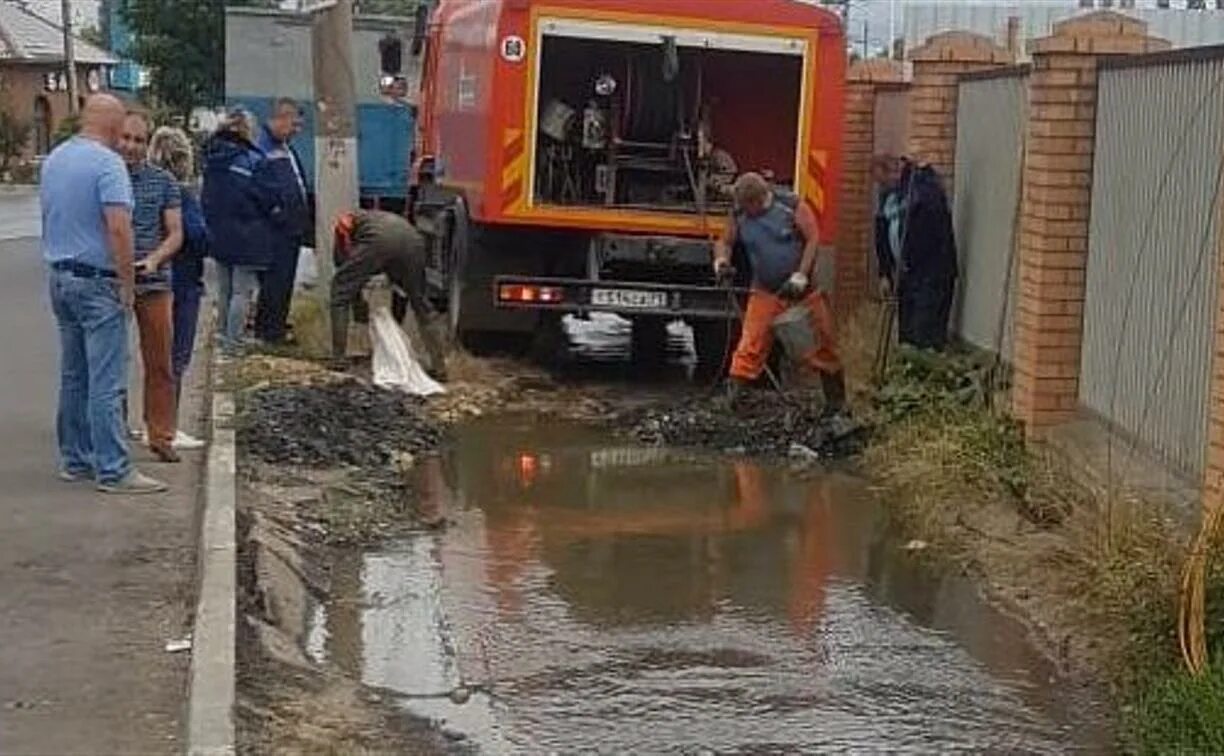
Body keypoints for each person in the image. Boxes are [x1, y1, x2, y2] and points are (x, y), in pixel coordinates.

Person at [40, 94, 167, 494]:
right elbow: (118, 228)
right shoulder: (108, 165)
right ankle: (114, 469)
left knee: (74, 374)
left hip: (61, 276)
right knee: (107, 379)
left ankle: (75, 459)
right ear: (114, 127)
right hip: (98, 281)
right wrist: (127, 283)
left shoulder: (56, 158)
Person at [712, 172, 844, 414]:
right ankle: (732, 401)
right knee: (750, 345)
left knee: (821, 345)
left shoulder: (790, 205)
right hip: (765, 290)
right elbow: (726, 241)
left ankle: (836, 403)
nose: (743, 211)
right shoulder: (738, 213)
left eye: (747, 206)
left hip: (802, 292)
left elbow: (813, 238)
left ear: (758, 200)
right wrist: (721, 261)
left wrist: (801, 275)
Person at [118, 109, 184, 463]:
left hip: (154, 282)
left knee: (159, 362)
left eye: (138, 140)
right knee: (112, 362)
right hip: (112, 282)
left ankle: (160, 434)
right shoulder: (104, 176)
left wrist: (156, 259)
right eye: (125, 138)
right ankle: (113, 433)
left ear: (148, 145)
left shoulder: (163, 182)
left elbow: (175, 232)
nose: (131, 146)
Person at [330, 209, 448, 379]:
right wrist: (395, 324)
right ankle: (440, 367)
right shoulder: (376, 219)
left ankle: (338, 359)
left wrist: (358, 305)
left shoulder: (345, 225)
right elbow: (400, 290)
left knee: (339, 291)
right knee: (419, 301)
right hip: (414, 241)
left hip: (379, 240)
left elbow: (343, 269)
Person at [149, 125, 209, 451]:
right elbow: (198, 236)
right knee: (176, 355)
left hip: (155, 279)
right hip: (183, 280)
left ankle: (152, 421)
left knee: (154, 354)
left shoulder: (145, 186)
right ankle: (166, 426)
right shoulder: (181, 194)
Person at [202, 109, 278, 354]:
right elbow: (265, 197)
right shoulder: (251, 160)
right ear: (247, 130)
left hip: (218, 230)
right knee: (241, 291)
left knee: (225, 289)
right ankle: (233, 343)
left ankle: (223, 336)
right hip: (247, 231)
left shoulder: (213, 157)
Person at [873, 155, 959, 351]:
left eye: (884, 182)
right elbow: (881, 234)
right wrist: (885, 273)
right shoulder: (889, 196)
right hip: (906, 275)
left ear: (894, 171)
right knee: (907, 336)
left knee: (924, 335)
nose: (882, 188)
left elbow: (928, 229)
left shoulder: (922, 186)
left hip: (931, 275)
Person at [255, 98, 311, 345]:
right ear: (281, 118)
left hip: (291, 225)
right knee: (276, 279)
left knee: (285, 278)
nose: (297, 131)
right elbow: (259, 185)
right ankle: (271, 330)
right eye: (295, 125)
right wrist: (277, 212)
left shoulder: (284, 146)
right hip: (277, 227)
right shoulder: (263, 146)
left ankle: (275, 322)